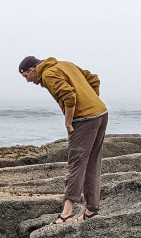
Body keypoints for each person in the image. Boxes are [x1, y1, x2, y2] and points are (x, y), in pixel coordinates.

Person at [19, 56, 108, 224]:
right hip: (101, 114)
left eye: (26, 77)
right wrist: (92, 101)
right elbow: (93, 79)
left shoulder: (48, 74)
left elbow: (69, 96)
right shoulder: (65, 64)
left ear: (32, 70)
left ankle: (67, 213)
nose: (28, 81)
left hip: (84, 119)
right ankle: (91, 210)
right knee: (92, 163)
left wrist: (68, 122)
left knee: (76, 163)